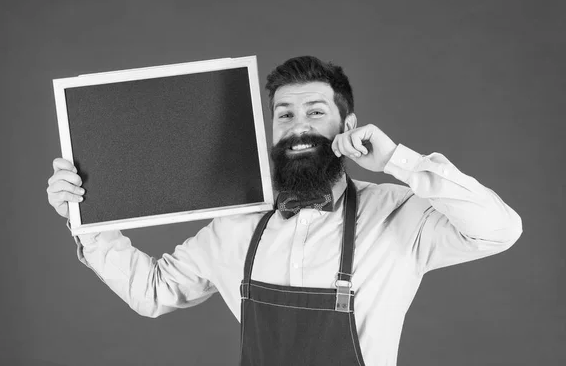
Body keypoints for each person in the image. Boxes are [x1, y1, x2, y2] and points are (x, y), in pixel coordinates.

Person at [46, 56, 522, 366]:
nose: (299, 128)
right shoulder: (236, 225)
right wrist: (88, 217)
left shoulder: (398, 214)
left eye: (316, 112)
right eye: (285, 115)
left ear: (349, 124)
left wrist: (398, 161)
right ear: (270, 128)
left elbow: (498, 230)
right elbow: (152, 292)